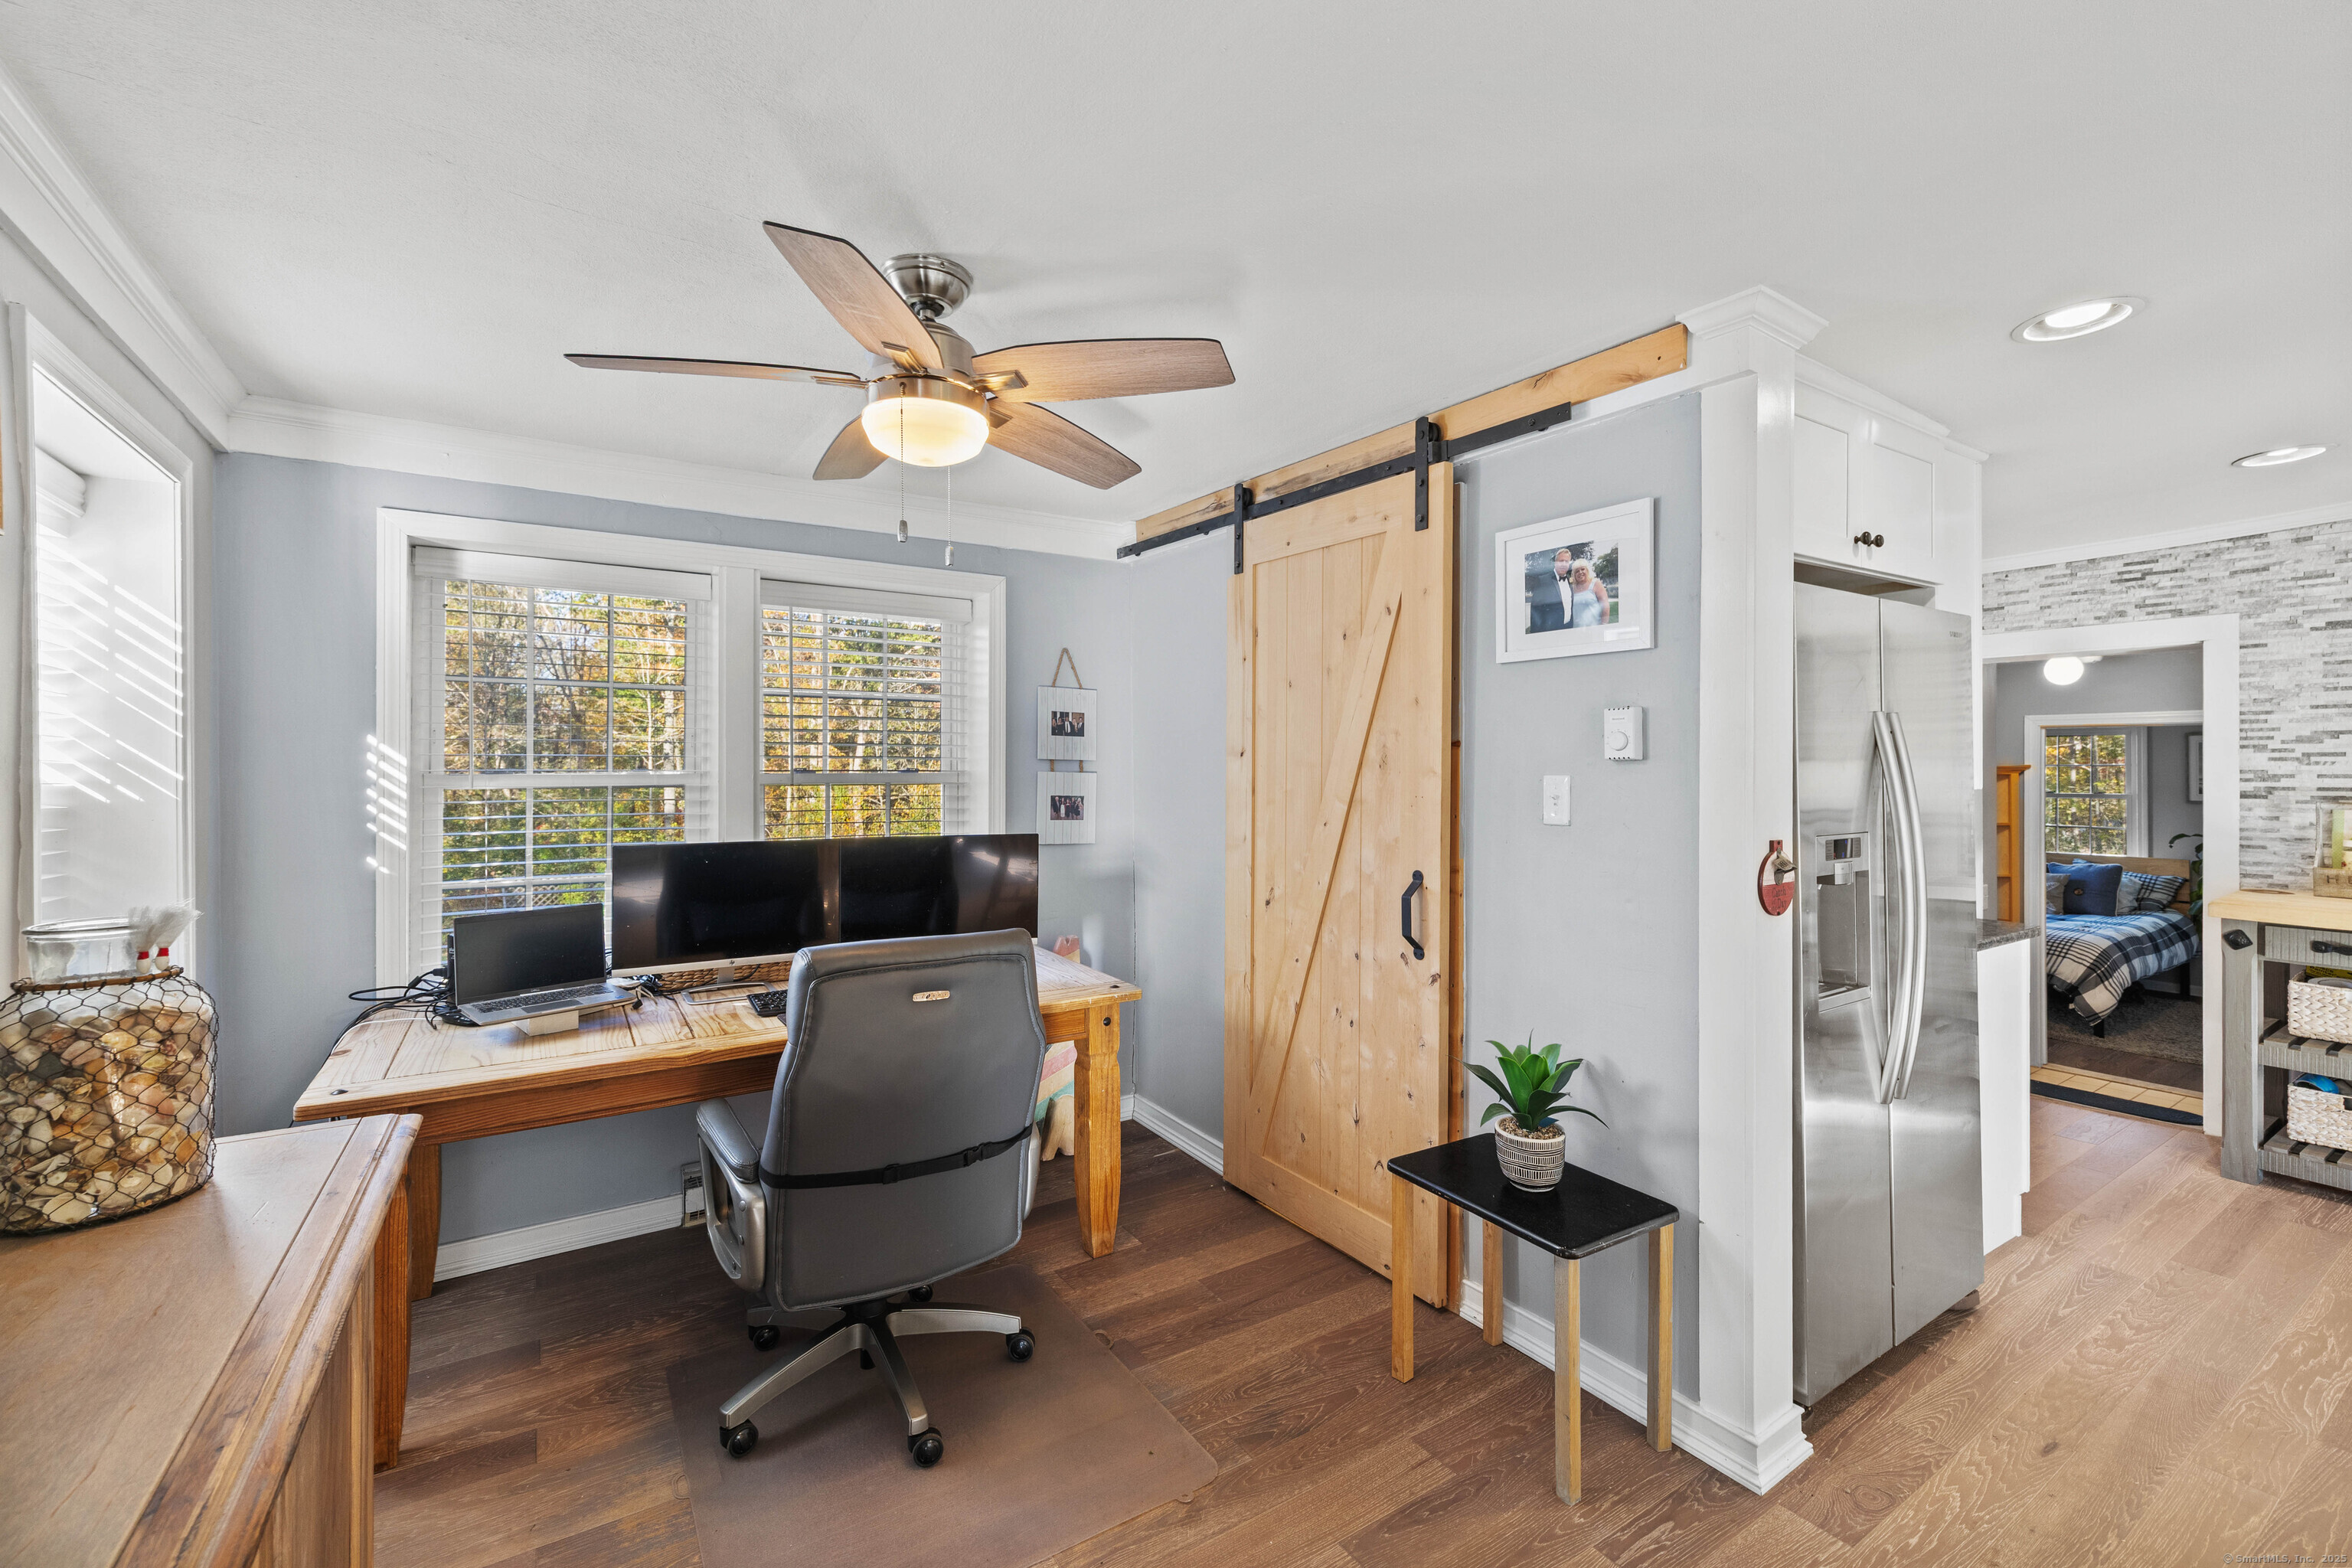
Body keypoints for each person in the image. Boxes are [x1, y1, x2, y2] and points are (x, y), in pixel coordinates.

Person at [1525, 550, 1566, 632]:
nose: (1564, 564)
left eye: (1567, 561)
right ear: (1555, 563)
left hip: (1568, 629)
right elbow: (1536, 610)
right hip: (1550, 632)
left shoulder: (1569, 581)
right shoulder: (1543, 580)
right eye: (1561, 561)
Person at [1565, 554, 1610, 628]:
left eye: (1583, 569)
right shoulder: (1572, 588)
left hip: (1595, 629)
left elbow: (1605, 606)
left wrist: (1604, 625)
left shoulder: (1596, 583)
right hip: (1577, 629)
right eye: (1577, 571)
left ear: (1588, 570)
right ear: (1574, 574)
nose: (1580, 572)